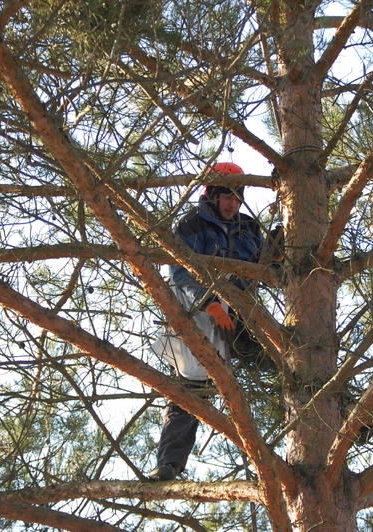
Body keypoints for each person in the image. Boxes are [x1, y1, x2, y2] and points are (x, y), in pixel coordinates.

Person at [148, 161, 264, 481]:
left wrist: (277, 256)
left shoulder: (249, 229)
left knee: (287, 358)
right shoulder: (191, 225)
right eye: (227, 196)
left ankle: (350, 415)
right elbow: (181, 272)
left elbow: (263, 267)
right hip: (195, 312)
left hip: (240, 314)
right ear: (211, 194)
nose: (233, 203)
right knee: (190, 388)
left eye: (238, 197)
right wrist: (211, 303)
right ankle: (170, 463)